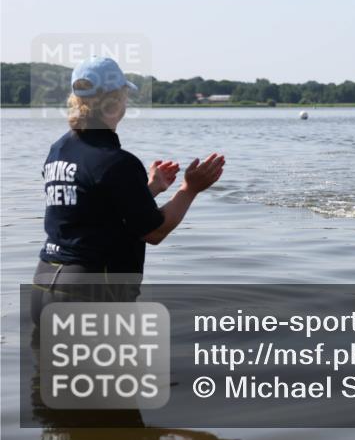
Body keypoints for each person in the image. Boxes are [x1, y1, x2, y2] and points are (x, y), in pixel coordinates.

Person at [32, 56, 225, 320]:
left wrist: (149, 189)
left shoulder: (59, 149)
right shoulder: (116, 162)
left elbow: (92, 209)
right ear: (113, 103)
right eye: (124, 95)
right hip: (92, 290)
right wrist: (190, 189)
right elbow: (154, 231)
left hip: (45, 281)